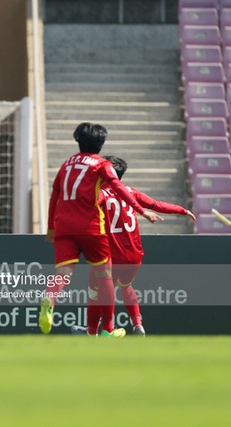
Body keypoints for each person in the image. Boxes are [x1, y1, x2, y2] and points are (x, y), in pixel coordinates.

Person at [43, 122, 161, 337]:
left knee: (63, 272)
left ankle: (50, 299)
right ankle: (107, 330)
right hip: (89, 226)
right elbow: (118, 188)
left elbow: (54, 195)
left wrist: (51, 226)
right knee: (104, 274)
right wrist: (141, 211)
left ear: (78, 140)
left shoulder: (66, 164)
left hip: (63, 225)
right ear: (101, 143)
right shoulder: (101, 164)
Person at [71, 156, 196, 336]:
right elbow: (156, 205)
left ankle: (92, 332)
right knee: (125, 285)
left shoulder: (101, 194)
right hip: (134, 257)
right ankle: (138, 324)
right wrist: (183, 210)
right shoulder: (131, 191)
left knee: (95, 291)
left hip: (111, 257)